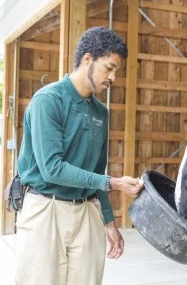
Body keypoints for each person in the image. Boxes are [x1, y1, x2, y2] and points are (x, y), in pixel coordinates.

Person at [15, 26, 144, 285]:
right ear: (88, 59)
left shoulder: (100, 113)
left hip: (86, 212)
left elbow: (97, 171)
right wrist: (115, 183)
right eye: (109, 68)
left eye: (116, 70)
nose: (113, 77)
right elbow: (52, 168)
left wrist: (109, 221)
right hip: (45, 210)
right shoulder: (48, 101)